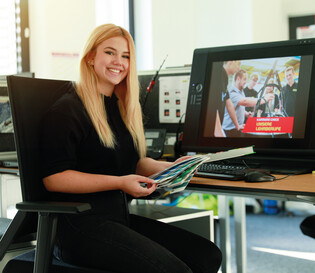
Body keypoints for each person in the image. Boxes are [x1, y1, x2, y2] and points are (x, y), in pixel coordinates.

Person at [39, 24, 222, 273]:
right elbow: (54, 179)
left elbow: (134, 163)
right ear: (91, 57)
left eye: (125, 56)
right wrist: (120, 183)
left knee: (207, 256)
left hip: (116, 219)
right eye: (110, 53)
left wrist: (172, 167)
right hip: (79, 227)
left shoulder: (120, 108)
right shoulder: (68, 109)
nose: (119, 62)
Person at [222, 70, 274, 137]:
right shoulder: (232, 92)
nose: (245, 82)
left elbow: (237, 107)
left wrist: (245, 113)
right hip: (229, 130)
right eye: (244, 79)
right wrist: (264, 99)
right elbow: (244, 102)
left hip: (237, 128)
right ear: (238, 79)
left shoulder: (241, 92)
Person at [213, 60, 243, 137]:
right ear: (231, 62)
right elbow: (211, 108)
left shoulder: (224, 78)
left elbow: (229, 105)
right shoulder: (217, 75)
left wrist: (237, 126)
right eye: (238, 64)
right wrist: (219, 134)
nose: (239, 68)